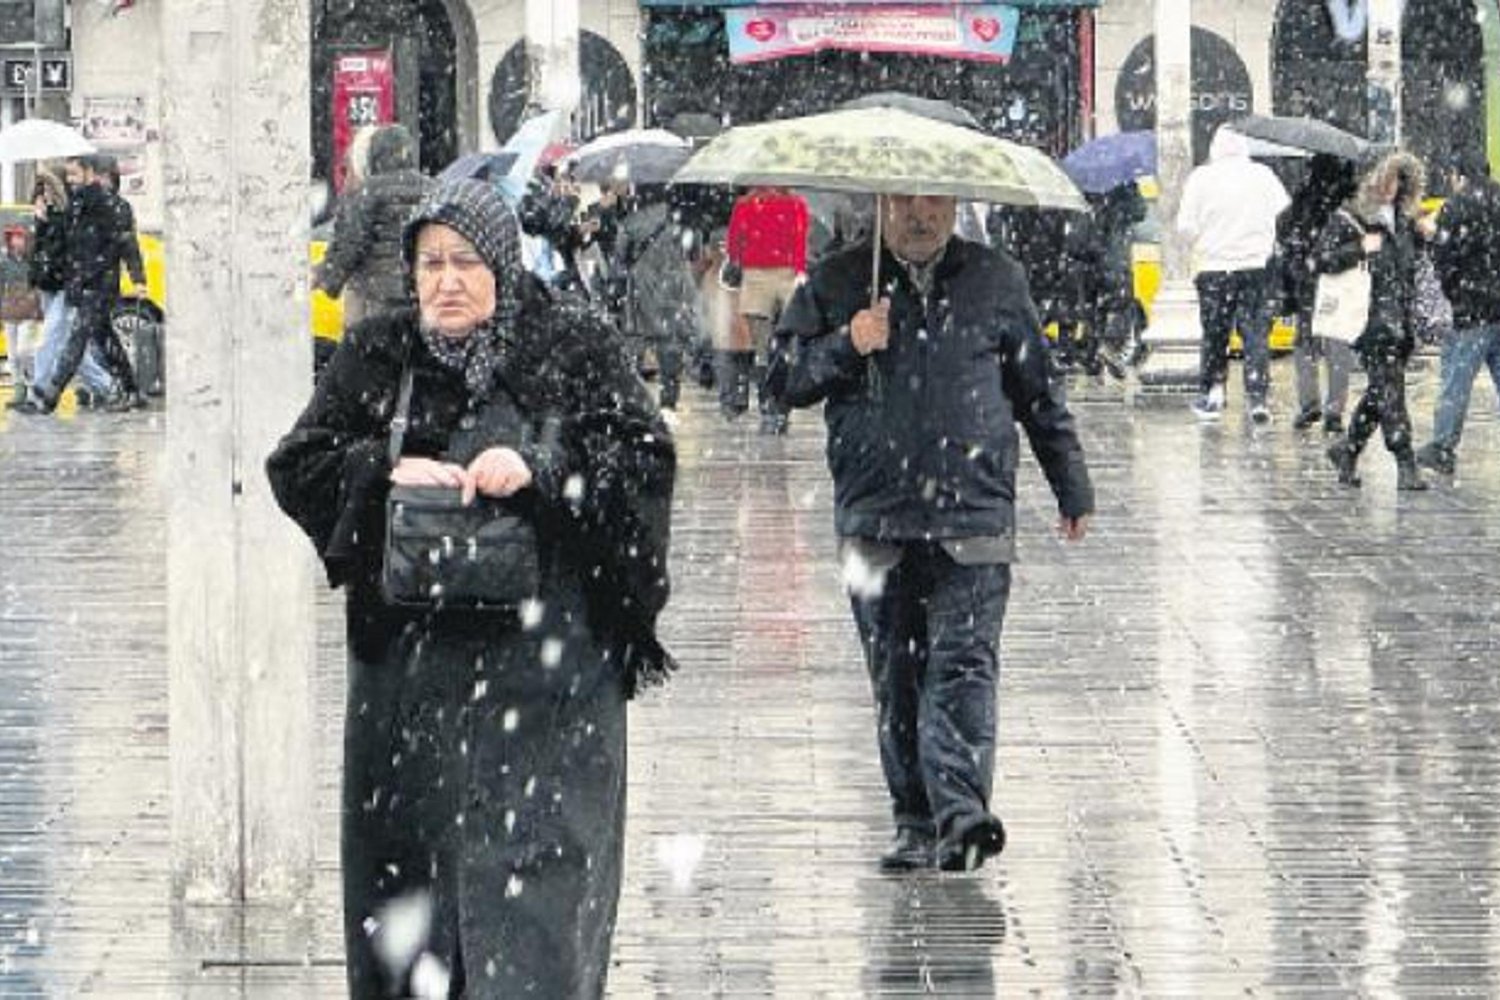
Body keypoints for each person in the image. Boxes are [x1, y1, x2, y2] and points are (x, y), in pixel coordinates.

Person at [266, 179, 676, 998]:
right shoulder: (380, 353)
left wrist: (543, 470)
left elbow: (643, 460)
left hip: (547, 684)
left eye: (466, 262)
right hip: (409, 692)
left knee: (537, 916)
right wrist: (383, 470)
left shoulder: (570, 344)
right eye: (430, 264)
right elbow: (297, 464)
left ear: (503, 266)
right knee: (412, 911)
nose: (446, 282)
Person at [768, 193, 1094, 873]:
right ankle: (915, 820)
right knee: (895, 673)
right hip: (873, 517)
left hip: (973, 511)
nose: (921, 216)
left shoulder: (996, 279)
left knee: (964, 663)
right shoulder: (836, 279)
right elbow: (782, 378)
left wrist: (1071, 483)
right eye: (906, 203)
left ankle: (962, 812)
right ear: (882, 203)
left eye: (934, 203)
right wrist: (847, 343)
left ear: (953, 204)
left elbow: (1037, 390)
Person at [1318, 151, 1430, 491]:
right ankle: (1405, 460)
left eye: (1400, 179)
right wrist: (1359, 249)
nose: (1393, 186)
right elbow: (1322, 259)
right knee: (1391, 392)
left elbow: (1409, 271)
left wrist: (1427, 237)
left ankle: (1347, 450)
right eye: (1388, 178)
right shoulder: (1351, 219)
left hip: (1401, 322)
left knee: (1379, 392)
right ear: (1372, 179)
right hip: (1369, 322)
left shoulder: (1405, 222)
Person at [1177, 126, 1291, 422]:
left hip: (1213, 268)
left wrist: (1205, 238)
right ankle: (1257, 397)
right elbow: (1284, 213)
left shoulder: (1200, 178)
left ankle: (1213, 391)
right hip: (1256, 266)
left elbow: (1185, 227)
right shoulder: (1263, 176)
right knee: (1255, 333)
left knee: (1215, 334)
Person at [17, 154, 144, 414]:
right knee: (105, 339)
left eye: (74, 174)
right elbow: (62, 241)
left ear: (90, 172)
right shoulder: (75, 204)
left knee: (78, 336)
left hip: (101, 284)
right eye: (68, 175)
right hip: (79, 282)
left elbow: (128, 243)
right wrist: (43, 220)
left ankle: (49, 396)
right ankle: (131, 390)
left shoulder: (114, 205)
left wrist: (138, 278)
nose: (70, 180)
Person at [1415, 150, 1500, 476]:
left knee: (1456, 381)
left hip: (1472, 310)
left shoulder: (1457, 206)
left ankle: (1442, 447)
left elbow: (1445, 257)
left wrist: (1456, 292)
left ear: (1458, 174)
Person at [316, 124, 433, 328]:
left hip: (376, 293)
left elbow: (351, 242)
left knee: (370, 342)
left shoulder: (367, 192)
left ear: (375, 155)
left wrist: (329, 278)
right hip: (419, 290)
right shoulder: (432, 189)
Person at [1279, 154, 1359, 432]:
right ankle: (1334, 410)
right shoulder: (1345, 205)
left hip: (1307, 282)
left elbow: (1284, 229)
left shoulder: (1302, 201)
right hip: (1337, 283)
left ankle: (1309, 403)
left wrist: (1301, 259)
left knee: (1305, 343)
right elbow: (1358, 244)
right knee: (1337, 345)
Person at [723, 185, 808, 432]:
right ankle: (782, 405)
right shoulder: (796, 204)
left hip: (755, 277)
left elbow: (733, 245)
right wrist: (799, 269)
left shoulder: (745, 205)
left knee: (762, 349)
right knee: (787, 346)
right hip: (788, 276)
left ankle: (767, 404)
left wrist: (741, 257)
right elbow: (800, 240)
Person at [615, 184, 704, 410]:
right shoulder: (683, 222)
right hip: (675, 286)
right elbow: (695, 253)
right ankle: (669, 396)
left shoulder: (631, 222)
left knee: (637, 339)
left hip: (642, 285)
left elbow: (621, 257)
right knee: (670, 343)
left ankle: (633, 397)